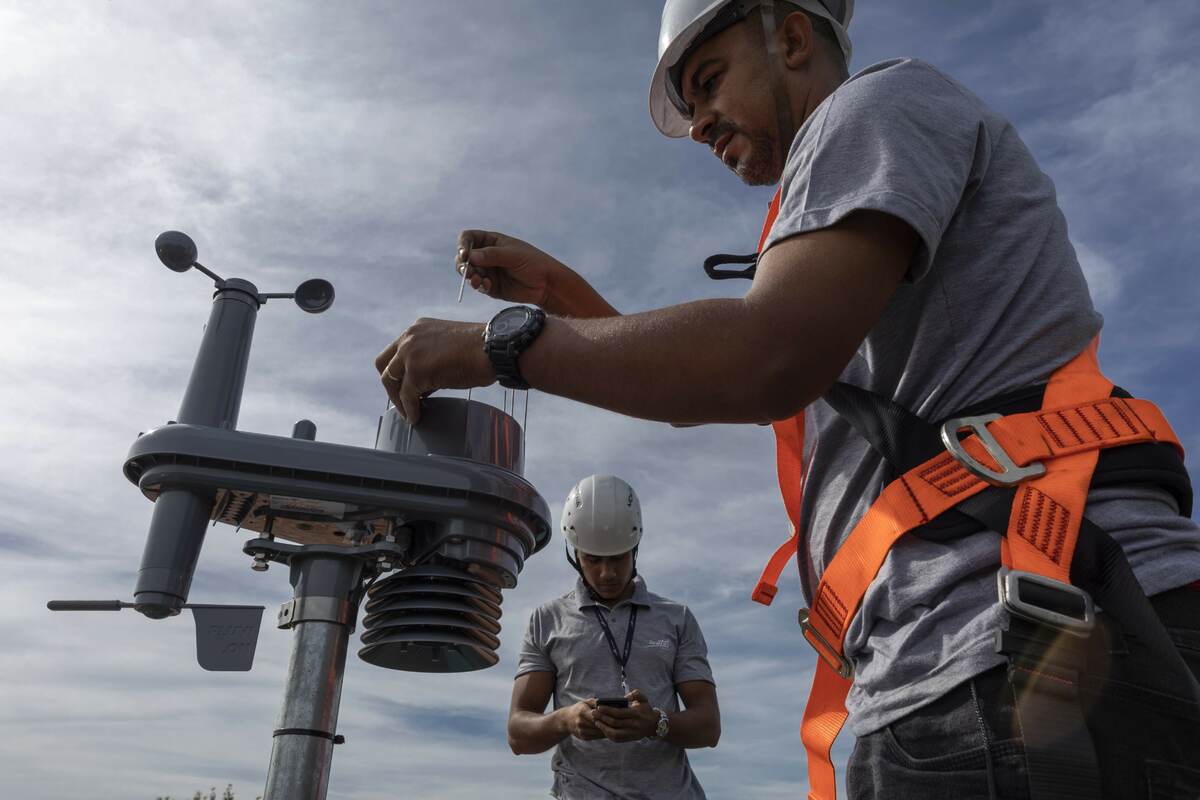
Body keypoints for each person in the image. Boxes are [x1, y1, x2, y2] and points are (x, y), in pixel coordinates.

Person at [375, 2, 1200, 797]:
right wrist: (557, 296)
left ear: (795, 38)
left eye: (709, 80)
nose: (698, 123)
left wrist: (500, 347)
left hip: (1023, 644)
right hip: (984, 657)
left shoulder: (876, 106)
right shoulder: (856, 199)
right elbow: (705, 380)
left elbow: (763, 356)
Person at [506, 474, 720, 799]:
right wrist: (566, 720)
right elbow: (518, 734)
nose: (607, 573)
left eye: (618, 558)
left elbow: (708, 726)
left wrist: (655, 723)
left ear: (635, 549)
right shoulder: (546, 620)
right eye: (593, 560)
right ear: (574, 553)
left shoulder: (677, 619)